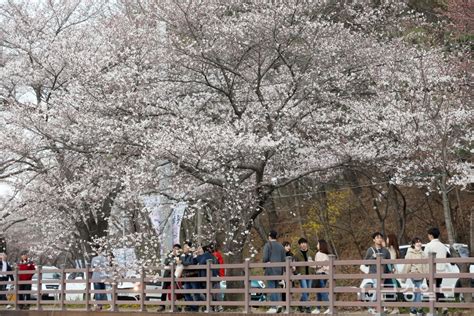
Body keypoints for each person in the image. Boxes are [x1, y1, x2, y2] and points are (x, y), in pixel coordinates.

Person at [364, 232, 391, 315]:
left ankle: (377, 307)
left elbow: (389, 262)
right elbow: (365, 263)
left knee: (380, 290)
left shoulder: (385, 251)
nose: (379, 239)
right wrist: (373, 256)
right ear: (374, 240)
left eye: (380, 237)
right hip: (374, 273)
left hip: (383, 274)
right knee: (378, 288)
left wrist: (390, 271)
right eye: (377, 237)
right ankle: (373, 306)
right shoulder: (370, 250)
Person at [424, 227, 448, 315]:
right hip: (441, 271)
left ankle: (436, 309)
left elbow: (425, 259)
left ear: (430, 235)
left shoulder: (429, 245)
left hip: (431, 271)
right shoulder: (443, 246)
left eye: (428, 235)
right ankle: (438, 309)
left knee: (433, 290)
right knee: (437, 288)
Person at [401, 237, 428, 316]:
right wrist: (404, 277)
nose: (419, 243)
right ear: (413, 244)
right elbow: (407, 265)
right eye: (417, 242)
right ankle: (417, 310)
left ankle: (414, 310)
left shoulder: (423, 253)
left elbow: (426, 265)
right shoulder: (410, 253)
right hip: (414, 273)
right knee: (419, 290)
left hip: (422, 275)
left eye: (420, 242)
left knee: (417, 292)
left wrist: (427, 275)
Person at [263, 230, 286, 314]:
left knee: (272, 287)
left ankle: (273, 306)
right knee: (276, 287)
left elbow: (265, 258)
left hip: (270, 269)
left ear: (269, 236)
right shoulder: (281, 246)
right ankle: (278, 304)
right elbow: (284, 259)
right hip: (279, 269)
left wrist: (265, 264)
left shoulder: (267, 245)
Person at [293, 237, 315, 313]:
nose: (303, 245)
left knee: (307, 291)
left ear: (306, 244)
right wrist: (297, 274)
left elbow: (315, 263)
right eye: (301, 243)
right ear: (299, 245)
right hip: (302, 275)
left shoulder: (311, 253)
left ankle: (300, 304)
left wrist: (313, 272)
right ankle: (308, 306)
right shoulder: (297, 254)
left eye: (304, 243)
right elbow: (293, 266)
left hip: (310, 274)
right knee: (305, 289)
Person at [158, 243, 181, 312]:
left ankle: (175, 305)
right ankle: (162, 305)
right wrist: (174, 260)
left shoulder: (180, 256)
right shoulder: (169, 256)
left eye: (177, 249)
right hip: (167, 275)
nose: (175, 250)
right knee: (164, 291)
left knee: (175, 291)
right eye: (174, 249)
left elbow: (180, 263)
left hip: (175, 275)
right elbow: (166, 262)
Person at [312, 240, 330, 314]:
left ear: (321, 245)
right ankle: (318, 308)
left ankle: (328, 307)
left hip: (320, 273)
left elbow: (318, 265)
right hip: (326, 274)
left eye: (318, 244)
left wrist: (310, 263)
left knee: (321, 291)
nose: (317, 245)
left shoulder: (319, 254)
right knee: (320, 291)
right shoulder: (327, 255)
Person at [385, 233, 400, 314]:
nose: (386, 240)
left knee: (391, 289)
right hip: (392, 270)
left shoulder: (390, 249)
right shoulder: (395, 249)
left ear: (390, 239)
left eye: (387, 238)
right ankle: (391, 307)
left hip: (390, 270)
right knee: (390, 288)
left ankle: (395, 308)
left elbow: (390, 260)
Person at [211, 242, 225, 312]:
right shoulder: (217, 255)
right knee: (215, 290)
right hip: (216, 274)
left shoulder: (216, 255)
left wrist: (220, 275)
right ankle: (217, 305)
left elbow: (220, 265)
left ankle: (217, 305)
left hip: (215, 274)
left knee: (215, 290)